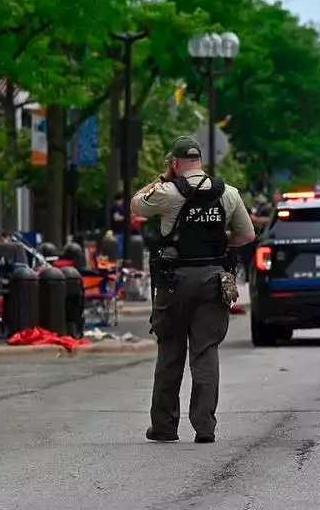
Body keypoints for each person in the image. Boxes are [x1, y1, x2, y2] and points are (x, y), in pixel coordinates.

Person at [131, 135, 255, 444]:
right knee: (205, 352)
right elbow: (247, 235)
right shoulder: (228, 194)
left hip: (174, 283)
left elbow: (136, 205)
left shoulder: (167, 192)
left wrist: (161, 178)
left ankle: (164, 425)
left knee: (170, 352)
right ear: (200, 161)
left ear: (175, 163)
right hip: (214, 281)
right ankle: (204, 426)